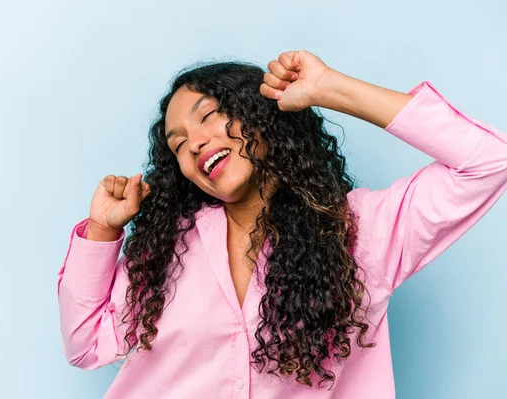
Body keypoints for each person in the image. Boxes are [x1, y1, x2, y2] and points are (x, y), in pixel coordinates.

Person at [57, 50, 507, 398]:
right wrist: (102, 230)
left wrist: (328, 87)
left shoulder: (361, 232)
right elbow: (87, 344)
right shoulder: (169, 248)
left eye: (209, 116)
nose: (194, 143)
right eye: (177, 145)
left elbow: (489, 161)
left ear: (259, 113)